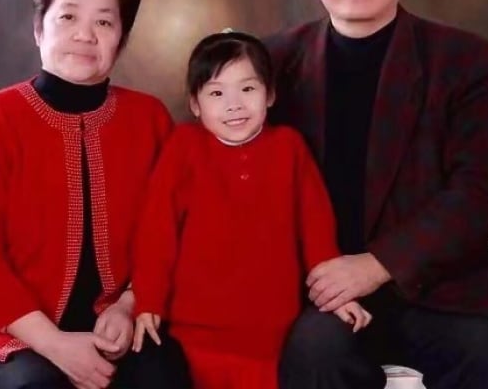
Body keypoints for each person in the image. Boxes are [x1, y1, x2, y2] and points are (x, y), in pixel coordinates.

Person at [266, 0, 488, 389]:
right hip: (326, 297)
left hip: (441, 292)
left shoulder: (462, 60)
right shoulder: (275, 64)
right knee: (311, 353)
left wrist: (378, 264)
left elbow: (481, 194)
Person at [0, 0, 191, 389]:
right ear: (38, 29)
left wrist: (129, 305)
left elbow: (168, 231)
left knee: (164, 374)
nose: (85, 34)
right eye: (68, 18)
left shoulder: (149, 119)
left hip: (116, 327)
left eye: (104, 21)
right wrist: (56, 345)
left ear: (121, 38)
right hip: (11, 334)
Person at [131, 30, 371, 389]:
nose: (234, 105)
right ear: (195, 104)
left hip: (273, 336)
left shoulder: (289, 148)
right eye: (216, 93)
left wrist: (334, 295)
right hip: (194, 335)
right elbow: (156, 231)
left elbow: (316, 228)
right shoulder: (184, 147)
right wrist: (148, 300)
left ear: (270, 94)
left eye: (248, 89)